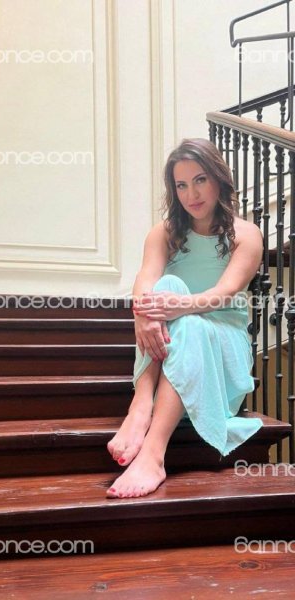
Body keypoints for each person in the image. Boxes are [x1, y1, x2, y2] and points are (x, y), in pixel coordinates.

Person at [106, 138, 264, 499]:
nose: (191, 194)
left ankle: (153, 453)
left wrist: (177, 308)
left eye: (200, 180)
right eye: (181, 185)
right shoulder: (163, 232)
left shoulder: (246, 234)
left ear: (219, 179)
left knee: (186, 317)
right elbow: (145, 282)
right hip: (172, 330)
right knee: (165, 286)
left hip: (223, 340)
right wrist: (144, 317)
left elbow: (225, 292)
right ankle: (141, 404)